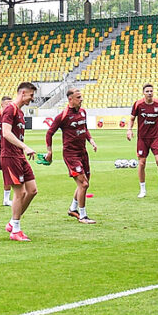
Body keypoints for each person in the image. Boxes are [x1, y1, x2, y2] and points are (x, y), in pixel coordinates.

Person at [46, 88, 98, 224]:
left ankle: (72, 209)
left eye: (81, 97)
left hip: (83, 153)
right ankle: (82, 216)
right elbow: (49, 133)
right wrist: (49, 151)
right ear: (70, 99)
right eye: (78, 97)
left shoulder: (83, 112)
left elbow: (84, 128)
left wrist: (91, 140)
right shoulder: (63, 116)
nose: (81, 99)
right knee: (84, 184)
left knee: (85, 183)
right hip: (71, 154)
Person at [1, 82, 39, 241]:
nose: (32, 98)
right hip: (10, 156)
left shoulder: (20, 112)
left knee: (32, 190)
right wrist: (25, 147)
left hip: (19, 156)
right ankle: (15, 230)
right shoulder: (10, 109)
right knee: (20, 192)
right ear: (23, 93)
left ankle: (12, 222)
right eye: (31, 95)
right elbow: (6, 133)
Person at [127, 84, 158, 198]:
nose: (150, 93)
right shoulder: (138, 104)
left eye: (151, 91)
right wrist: (129, 130)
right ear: (143, 93)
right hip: (142, 138)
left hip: (156, 136)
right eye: (147, 91)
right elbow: (132, 119)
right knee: (142, 163)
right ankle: (142, 189)